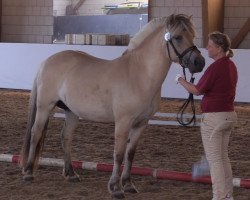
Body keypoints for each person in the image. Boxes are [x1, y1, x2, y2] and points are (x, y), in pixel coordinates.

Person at [175, 31, 238, 200]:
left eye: (210, 45)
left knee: (215, 160)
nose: (207, 48)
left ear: (218, 48)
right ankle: (227, 195)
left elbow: (196, 90)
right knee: (223, 158)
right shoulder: (230, 65)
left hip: (214, 118)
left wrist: (180, 79)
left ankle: (219, 196)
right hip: (229, 115)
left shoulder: (216, 67)